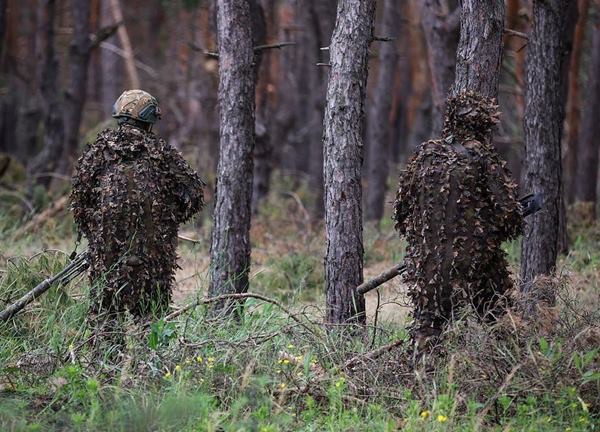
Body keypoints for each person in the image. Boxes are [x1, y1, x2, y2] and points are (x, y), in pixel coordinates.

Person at [393, 91, 522, 351]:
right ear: (484, 125)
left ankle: (422, 381)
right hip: (475, 264)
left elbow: (401, 212)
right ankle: (511, 371)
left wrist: (423, 243)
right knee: (500, 321)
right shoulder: (483, 159)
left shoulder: (425, 156)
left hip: (426, 265)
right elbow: (509, 215)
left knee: (428, 328)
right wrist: (495, 229)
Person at [71, 89, 204, 319]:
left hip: (107, 255)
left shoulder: (97, 152)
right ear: (148, 119)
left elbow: (80, 202)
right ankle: (149, 355)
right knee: (152, 323)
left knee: (106, 322)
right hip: (154, 256)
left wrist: (96, 233)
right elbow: (194, 194)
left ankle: (107, 356)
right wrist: (167, 221)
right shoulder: (162, 153)